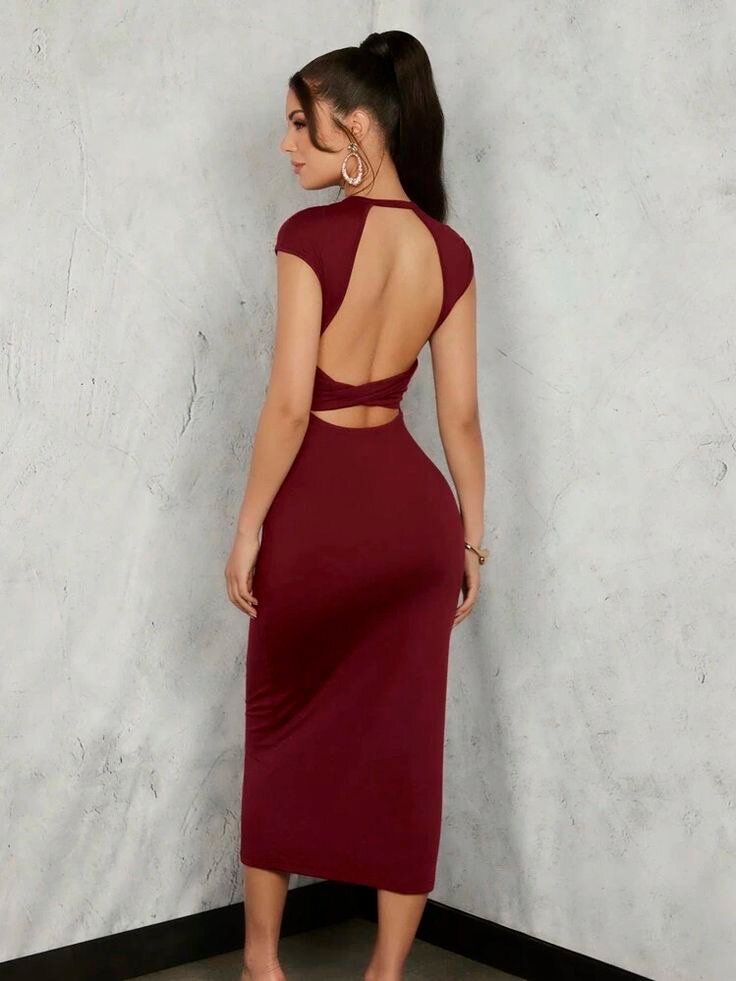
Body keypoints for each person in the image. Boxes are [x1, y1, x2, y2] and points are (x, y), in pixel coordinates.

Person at [225, 29, 487, 981]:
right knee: (407, 747)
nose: (288, 144)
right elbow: (460, 417)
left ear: (360, 128)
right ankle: (385, 973)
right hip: (417, 524)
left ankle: (262, 964)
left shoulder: (308, 238)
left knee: (279, 727)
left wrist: (248, 527)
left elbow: (291, 405)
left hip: (321, 517)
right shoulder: (449, 252)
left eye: (304, 125)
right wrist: (473, 540)